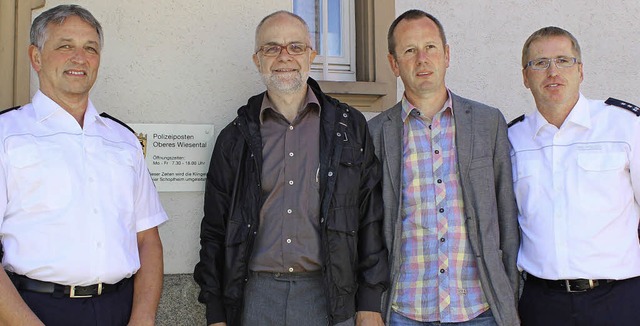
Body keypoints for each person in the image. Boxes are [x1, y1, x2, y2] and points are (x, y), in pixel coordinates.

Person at [193, 10, 389, 326]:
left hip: (329, 294)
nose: (285, 56)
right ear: (257, 60)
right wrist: (215, 312)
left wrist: (370, 301)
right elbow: (214, 229)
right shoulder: (235, 137)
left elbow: (369, 217)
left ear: (312, 55)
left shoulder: (348, 127)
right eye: (272, 48)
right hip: (254, 296)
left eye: (295, 47)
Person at [0, 5, 167, 325]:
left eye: (90, 48)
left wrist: (143, 318)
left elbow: (147, 239)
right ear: (35, 57)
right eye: (65, 46)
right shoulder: (6, 136)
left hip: (119, 309)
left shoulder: (124, 140)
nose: (80, 57)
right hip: (35, 310)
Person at [368, 9, 520, 326]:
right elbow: (368, 230)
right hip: (405, 310)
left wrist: (510, 294)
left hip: (480, 309)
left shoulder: (487, 123)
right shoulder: (376, 134)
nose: (422, 59)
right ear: (394, 64)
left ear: (447, 55)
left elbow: (507, 216)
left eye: (431, 47)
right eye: (409, 51)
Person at [509, 26, 640, 326]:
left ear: (580, 71)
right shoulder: (512, 139)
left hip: (618, 300)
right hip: (542, 303)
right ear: (525, 77)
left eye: (563, 60)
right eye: (539, 63)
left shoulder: (625, 126)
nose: (552, 71)